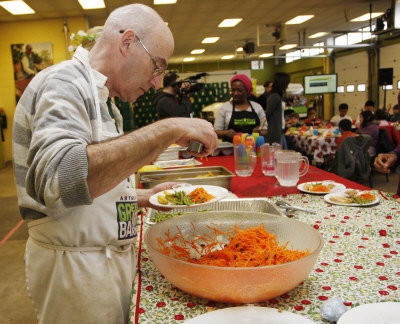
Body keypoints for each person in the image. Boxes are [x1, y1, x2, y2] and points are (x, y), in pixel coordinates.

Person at [12, 4, 218, 324]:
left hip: (104, 262)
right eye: (157, 66)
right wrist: (166, 129)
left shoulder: (106, 102)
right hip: (77, 269)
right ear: (127, 42)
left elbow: (95, 187)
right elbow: (59, 178)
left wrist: (139, 198)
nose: (155, 82)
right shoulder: (63, 83)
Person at [214, 74, 267, 141]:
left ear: (247, 91)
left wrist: (260, 132)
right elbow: (215, 132)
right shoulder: (225, 108)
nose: (235, 93)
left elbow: (266, 130)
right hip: (231, 149)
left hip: (253, 149)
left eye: (239, 90)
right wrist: (226, 133)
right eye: (233, 90)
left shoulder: (257, 107)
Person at [266, 72, 290, 148]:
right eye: (287, 83)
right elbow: (268, 115)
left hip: (280, 131)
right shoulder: (274, 97)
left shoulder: (278, 96)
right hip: (275, 133)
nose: (287, 86)